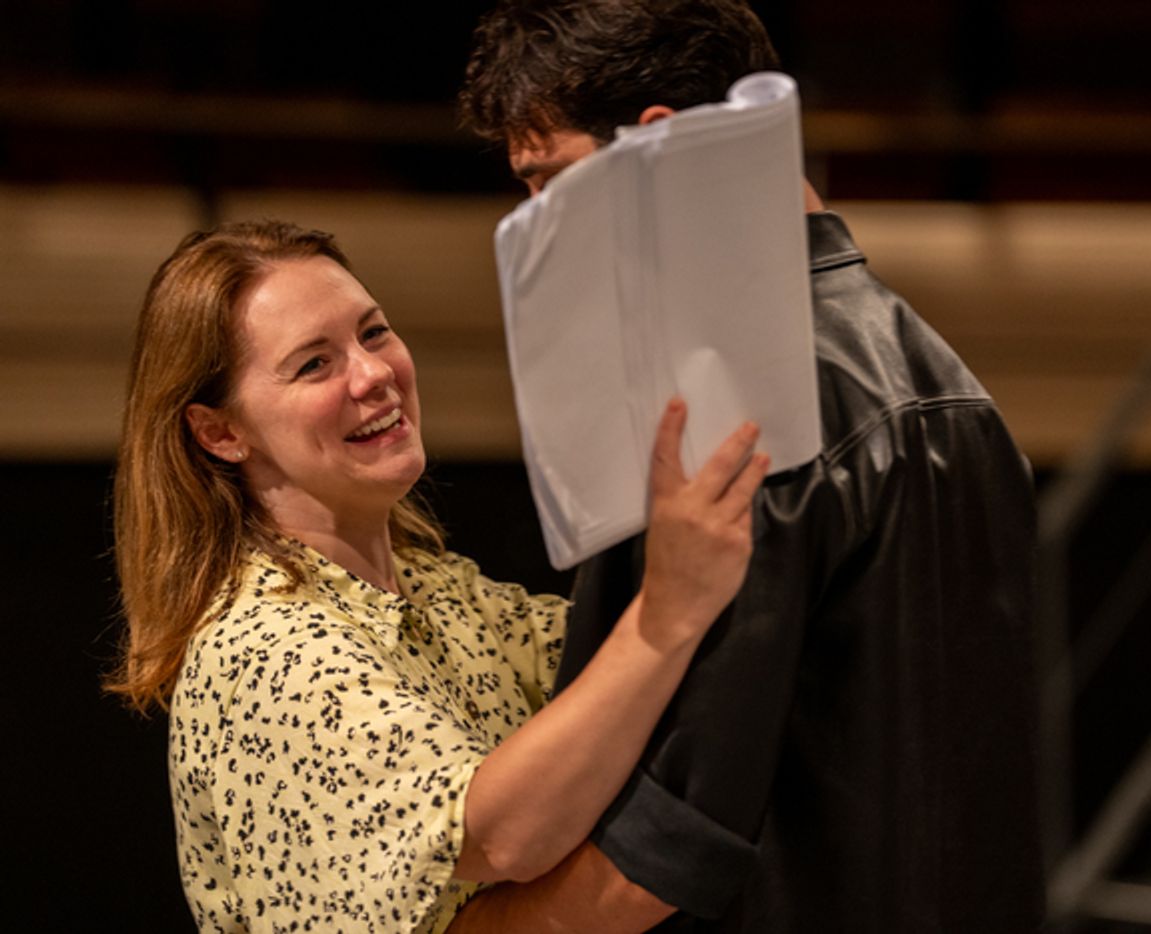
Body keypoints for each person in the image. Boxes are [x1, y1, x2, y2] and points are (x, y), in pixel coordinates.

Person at [456, 1, 1046, 931]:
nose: (537, 227)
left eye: (547, 185)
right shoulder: (960, 391)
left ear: (653, 148)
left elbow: (659, 857)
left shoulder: (723, 418)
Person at [106, 218, 770, 932]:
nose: (374, 373)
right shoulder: (263, 651)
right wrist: (666, 617)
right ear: (220, 433)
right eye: (313, 364)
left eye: (373, 331)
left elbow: (613, 687)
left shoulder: (437, 590)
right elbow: (499, 833)